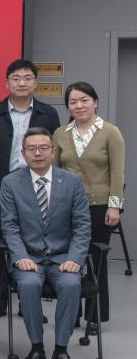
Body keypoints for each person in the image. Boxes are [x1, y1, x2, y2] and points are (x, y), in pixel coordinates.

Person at [0, 127, 90, 359]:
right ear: (23, 153)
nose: (37, 153)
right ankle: (36, 348)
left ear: (53, 151)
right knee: (29, 284)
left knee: (71, 285)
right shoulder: (10, 183)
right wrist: (20, 257)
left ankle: (61, 350)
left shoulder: (72, 181)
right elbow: (9, 226)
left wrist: (75, 258)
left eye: (43, 148)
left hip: (63, 258)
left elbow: (82, 226)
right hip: (29, 257)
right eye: (31, 149)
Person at [0, 59, 60, 318]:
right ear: (6, 83)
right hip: (1, 187)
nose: (22, 83)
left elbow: (54, 155)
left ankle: (29, 303)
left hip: (37, 187)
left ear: (36, 83)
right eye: (16, 78)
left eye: (27, 78)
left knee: (33, 245)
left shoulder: (48, 114)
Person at [53, 82, 124, 329]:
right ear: (68, 107)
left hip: (100, 206)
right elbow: (55, 171)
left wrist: (114, 206)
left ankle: (95, 317)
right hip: (67, 207)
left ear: (95, 102)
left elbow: (118, 173)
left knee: (95, 261)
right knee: (68, 260)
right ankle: (71, 313)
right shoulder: (60, 133)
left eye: (84, 100)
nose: (79, 106)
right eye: (73, 102)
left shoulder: (110, 132)